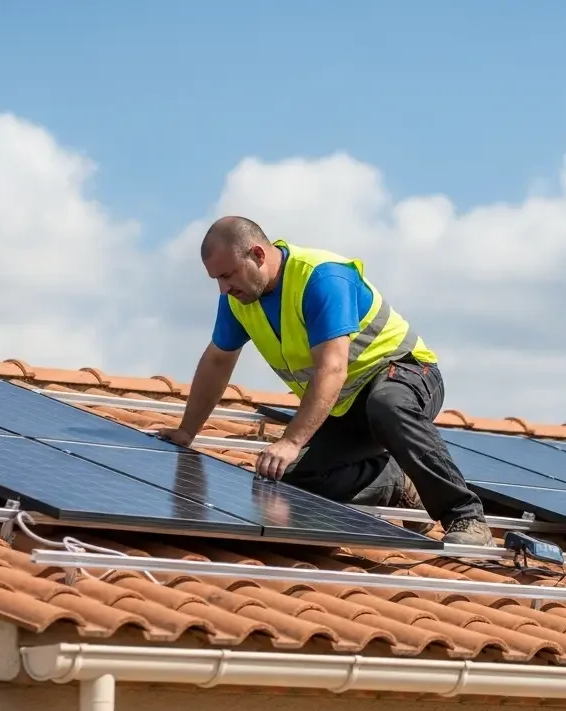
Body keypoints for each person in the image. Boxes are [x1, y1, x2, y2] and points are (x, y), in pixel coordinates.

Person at [156, 216, 494, 546]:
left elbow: (332, 369)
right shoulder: (239, 299)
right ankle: (392, 482)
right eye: (216, 279)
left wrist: (290, 441)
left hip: (405, 373)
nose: (223, 288)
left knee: (386, 404)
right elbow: (217, 360)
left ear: (258, 255)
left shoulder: (322, 277)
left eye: (227, 275)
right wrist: (187, 431)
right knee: (287, 482)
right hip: (346, 406)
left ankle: (466, 516)